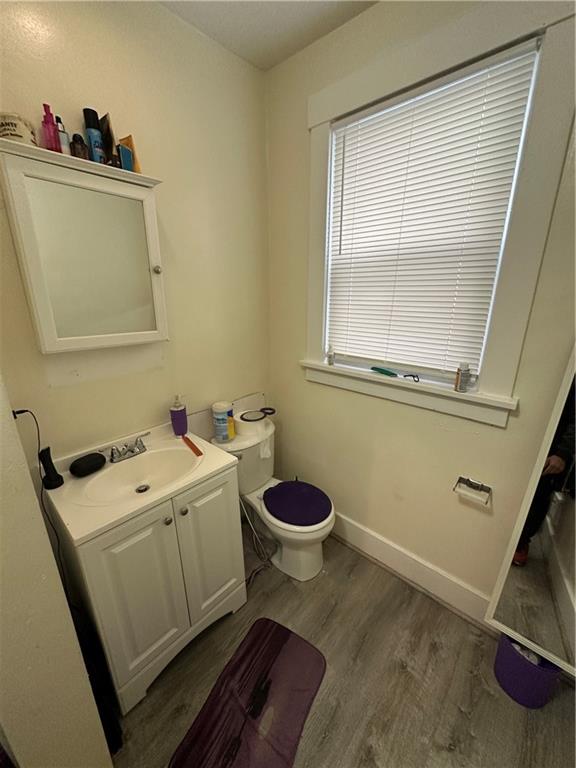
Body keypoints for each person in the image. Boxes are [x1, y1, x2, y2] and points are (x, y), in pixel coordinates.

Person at [513, 380, 575, 566]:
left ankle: (521, 543)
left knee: (537, 498)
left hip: (552, 450)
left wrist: (562, 453)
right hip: (526, 439)